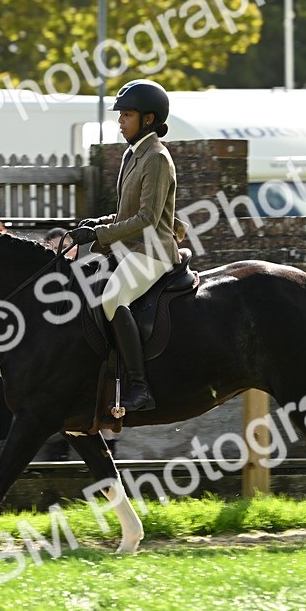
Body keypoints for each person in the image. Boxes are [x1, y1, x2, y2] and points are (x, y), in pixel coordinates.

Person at [68, 79, 181, 413]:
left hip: (153, 251)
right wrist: (97, 225)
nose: (120, 122)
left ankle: (139, 386)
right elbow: (126, 212)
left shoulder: (157, 158)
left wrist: (101, 236)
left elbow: (147, 218)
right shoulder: (135, 153)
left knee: (112, 298)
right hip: (130, 248)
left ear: (148, 119)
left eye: (127, 115)